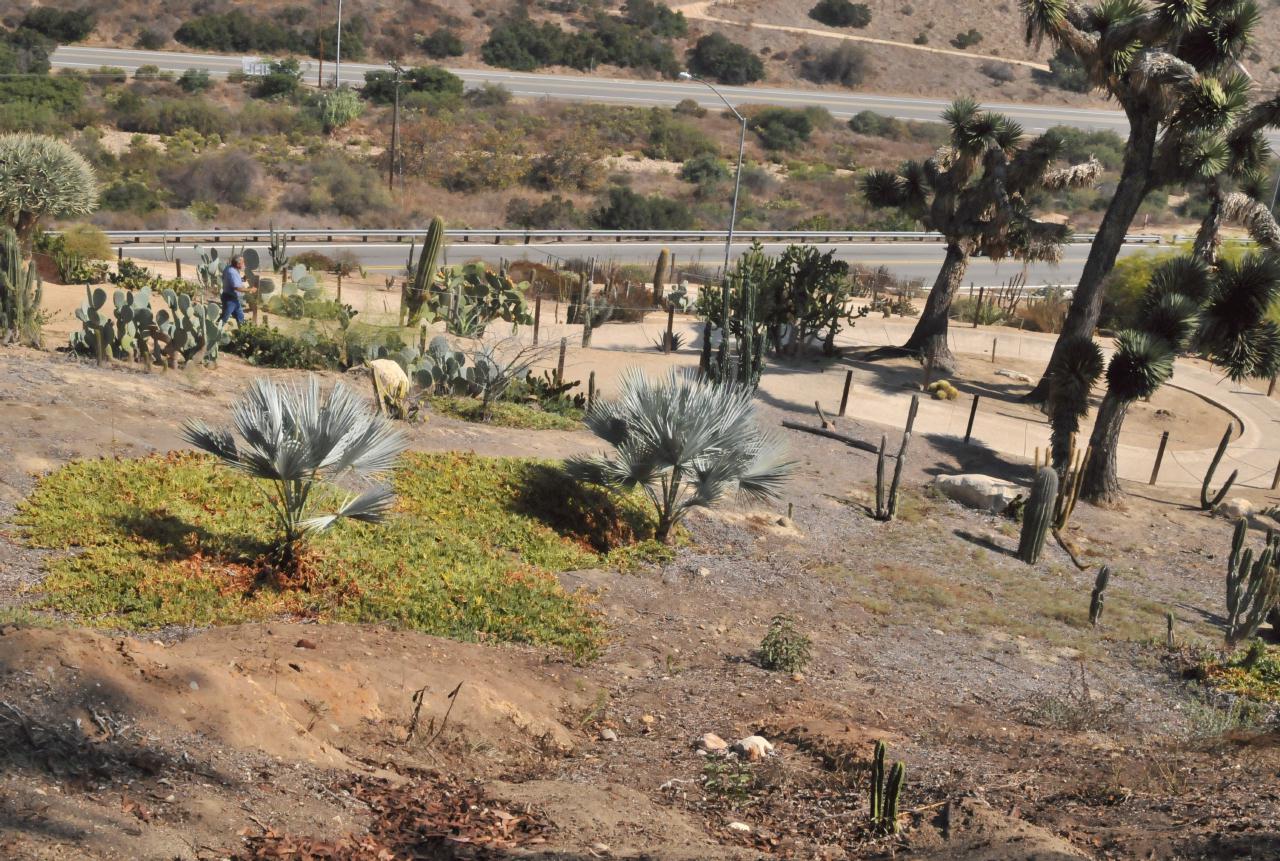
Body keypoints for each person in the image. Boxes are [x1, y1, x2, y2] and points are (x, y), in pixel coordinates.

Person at [220, 256, 250, 325]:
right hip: (230, 300)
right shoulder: (232, 272)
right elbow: (237, 288)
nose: (244, 264)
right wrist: (250, 289)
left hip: (232, 298)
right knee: (224, 319)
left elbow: (229, 280)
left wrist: (242, 279)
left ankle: (242, 333)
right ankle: (215, 332)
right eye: (243, 262)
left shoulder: (229, 268)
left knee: (240, 317)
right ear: (238, 264)